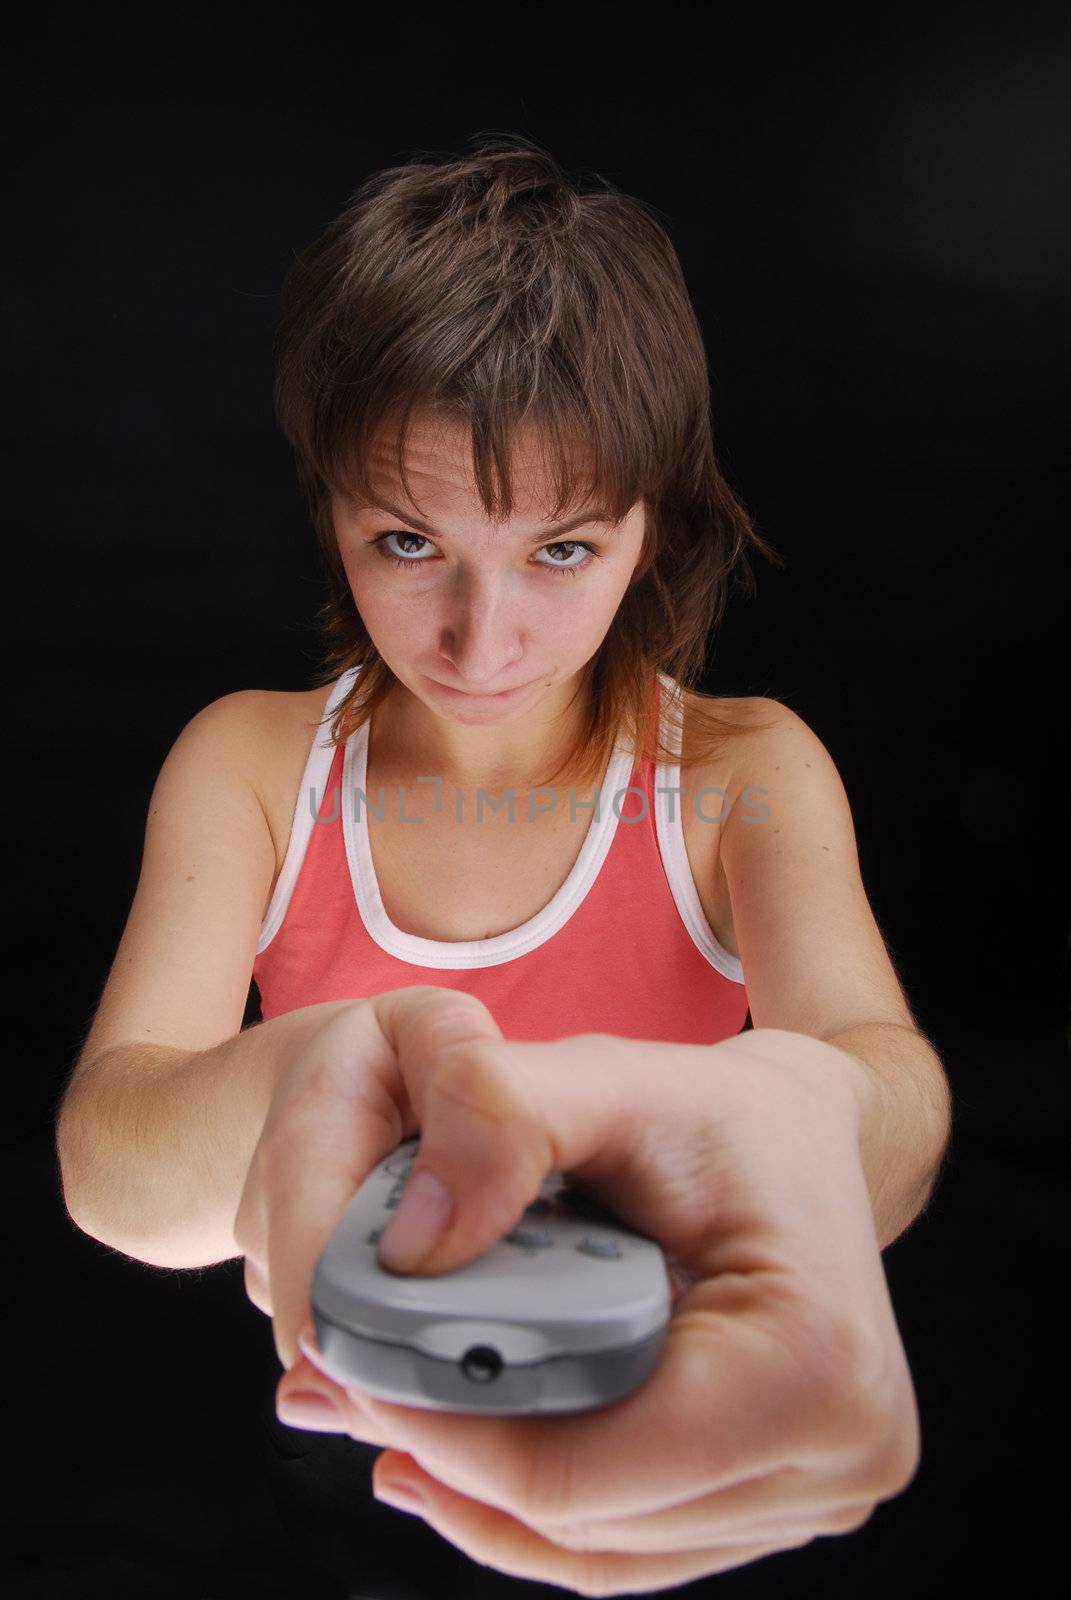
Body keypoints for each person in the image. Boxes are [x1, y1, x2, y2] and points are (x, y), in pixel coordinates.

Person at [55, 135, 952, 1595]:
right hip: (329, 1461)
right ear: (333, 510)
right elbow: (114, 1170)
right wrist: (333, 1068)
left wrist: (794, 1114)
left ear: (648, 521)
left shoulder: (738, 779)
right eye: (410, 541)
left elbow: (890, 1101)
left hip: (670, 1421)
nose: (485, 644)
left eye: (559, 552)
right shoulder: (256, 768)